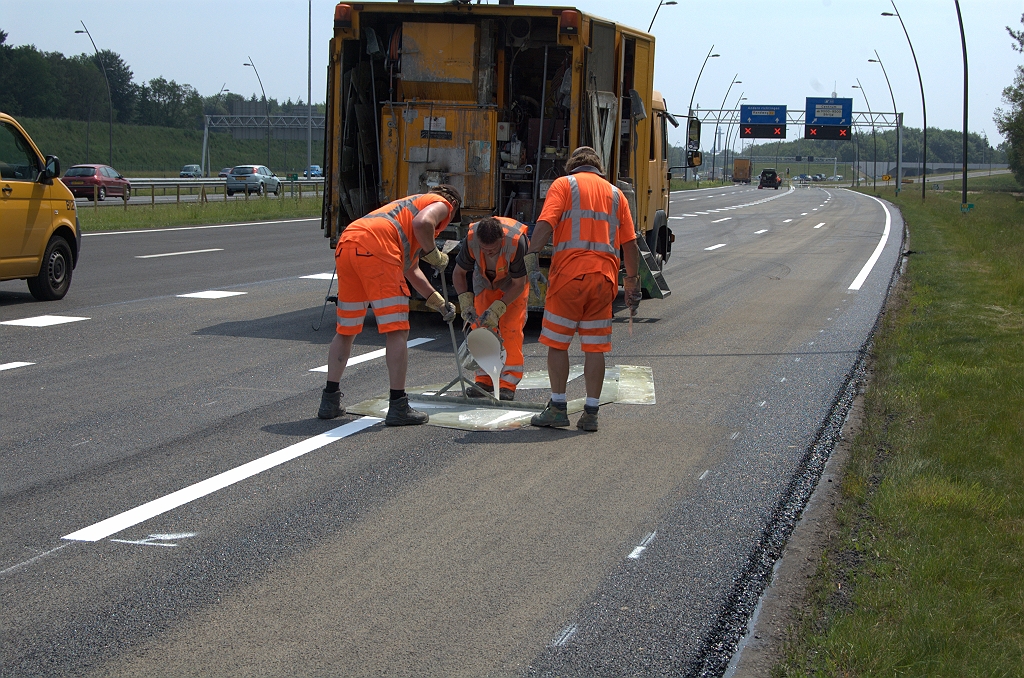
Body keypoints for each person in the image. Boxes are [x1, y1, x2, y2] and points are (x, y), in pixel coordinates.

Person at [317, 185, 460, 425]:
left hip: (349, 243)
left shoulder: (403, 211)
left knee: (346, 329)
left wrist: (439, 303)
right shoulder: (442, 203)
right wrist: (434, 254)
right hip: (378, 249)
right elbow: (423, 223)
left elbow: (411, 270)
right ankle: (398, 406)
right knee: (397, 330)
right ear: (454, 207)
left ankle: (329, 401)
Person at [527, 146, 641, 432]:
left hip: (569, 278)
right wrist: (631, 284)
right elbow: (630, 244)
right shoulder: (617, 195)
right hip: (604, 280)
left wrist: (531, 259)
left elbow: (545, 223)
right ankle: (591, 412)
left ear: (572, 167)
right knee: (595, 348)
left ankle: (558, 407)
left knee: (557, 343)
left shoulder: (563, 185)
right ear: (597, 168)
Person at [453, 216, 530, 400]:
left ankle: (507, 384)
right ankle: (484, 378)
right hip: (484, 281)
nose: (488, 253)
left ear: (501, 240)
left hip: (512, 283)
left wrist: (498, 308)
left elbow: (519, 283)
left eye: (493, 249)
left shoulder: (516, 241)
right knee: (480, 329)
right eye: (484, 249)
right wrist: (465, 301)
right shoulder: (471, 238)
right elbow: (458, 273)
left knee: (510, 329)